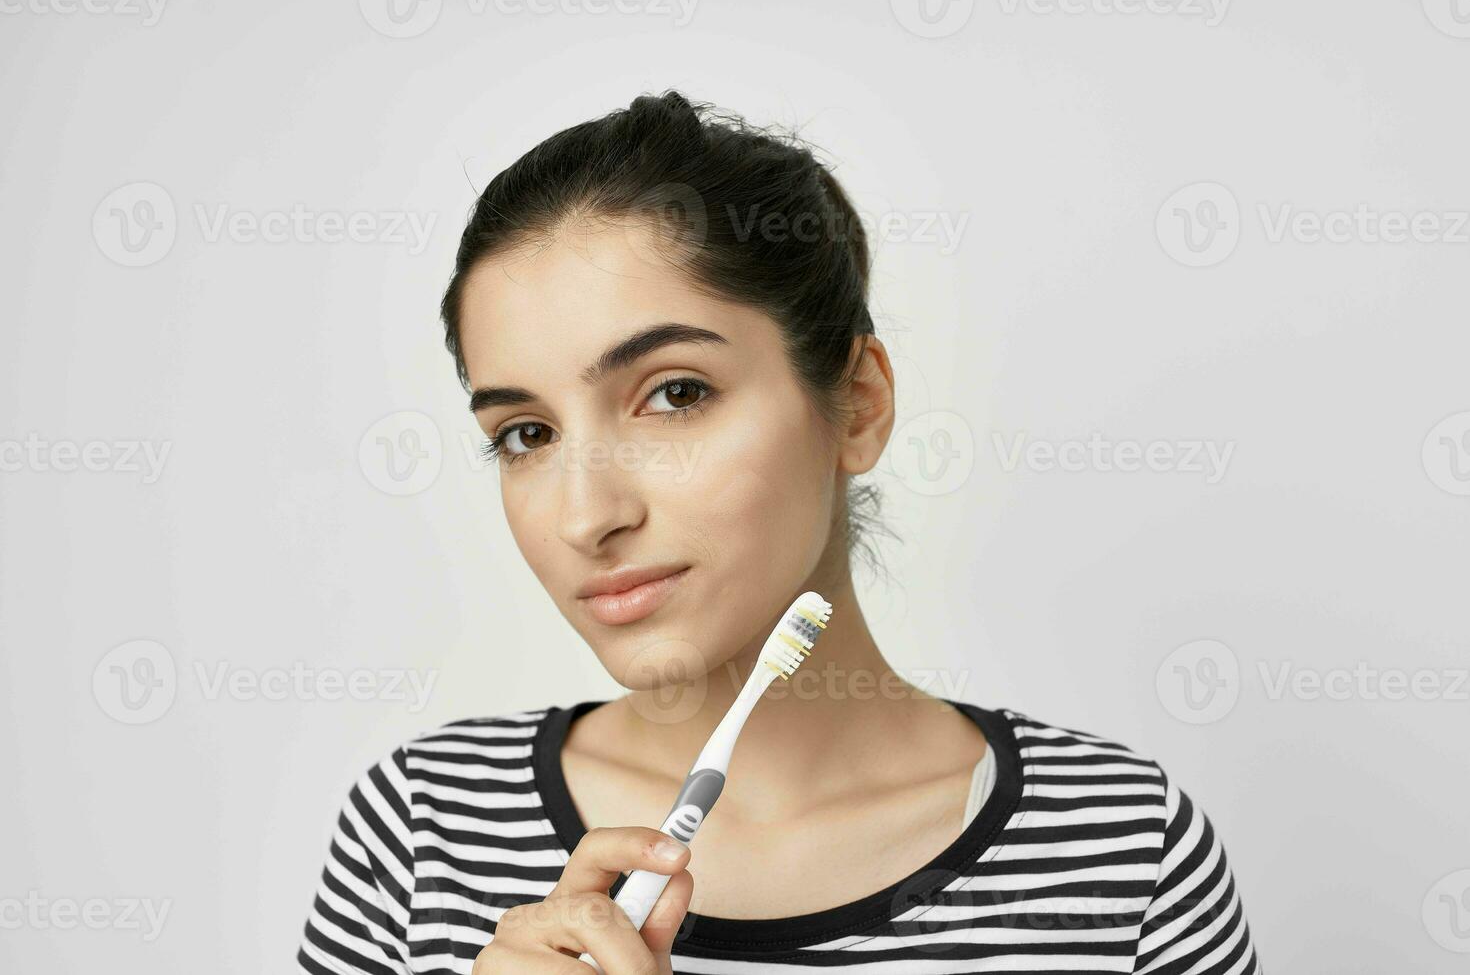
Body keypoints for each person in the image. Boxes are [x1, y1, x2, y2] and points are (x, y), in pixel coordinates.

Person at [296, 90, 1263, 974]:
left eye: (674, 395)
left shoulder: (1121, 855)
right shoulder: (422, 836)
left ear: (858, 403)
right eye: (526, 434)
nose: (587, 516)